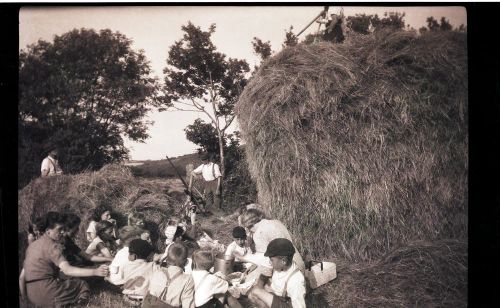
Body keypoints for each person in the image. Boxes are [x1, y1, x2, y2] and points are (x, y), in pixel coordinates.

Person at [19, 211, 109, 307]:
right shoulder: (52, 245)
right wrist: (95, 272)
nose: (62, 232)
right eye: (59, 229)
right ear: (48, 231)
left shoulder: (31, 246)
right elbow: (67, 270)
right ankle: (78, 305)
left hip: (31, 296)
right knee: (82, 285)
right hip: (48, 293)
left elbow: (21, 278)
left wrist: (25, 299)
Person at [236, 209, 305, 273]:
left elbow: (267, 262)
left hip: (288, 271)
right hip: (299, 264)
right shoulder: (275, 222)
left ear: (247, 226)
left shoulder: (258, 234)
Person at [247, 238, 306, 308]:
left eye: (271, 260)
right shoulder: (281, 266)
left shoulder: (295, 281)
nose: (270, 262)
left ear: (283, 261)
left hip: (286, 304)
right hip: (278, 297)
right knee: (252, 295)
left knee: (256, 291)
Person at [143, 243, 196, 308]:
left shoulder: (155, 271)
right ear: (186, 262)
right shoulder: (188, 280)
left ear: (167, 260)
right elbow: (188, 306)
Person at [121, 239, 157, 305]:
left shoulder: (125, 265)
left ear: (134, 256)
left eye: (130, 253)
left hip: (126, 298)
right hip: (142, 301)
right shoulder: (152, 266)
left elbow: (122, 278)